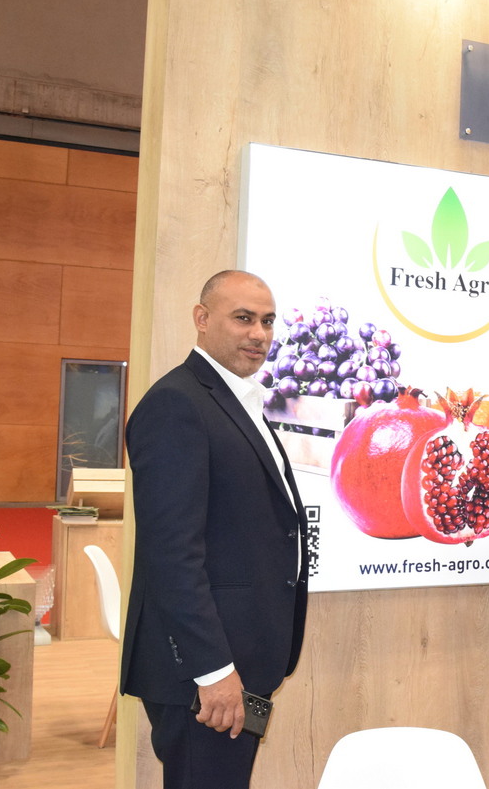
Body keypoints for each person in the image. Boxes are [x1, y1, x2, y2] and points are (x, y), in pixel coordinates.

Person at [121, 270, 308, 789]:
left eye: (267, 321)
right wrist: (213, 670)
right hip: (206, 674)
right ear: (202, 319)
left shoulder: (237, 400)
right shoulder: (177, 403)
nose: (259, 334)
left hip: (241, 660)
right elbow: (171, 554)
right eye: (243, 318)